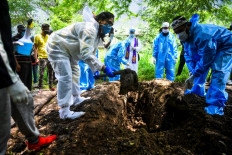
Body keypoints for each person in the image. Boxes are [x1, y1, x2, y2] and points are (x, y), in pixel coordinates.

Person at [0, 0, 57, 154]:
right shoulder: (20, 37)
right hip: (3, 73)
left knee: (25, 100)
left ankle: (34, 140)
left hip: (9, 68)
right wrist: (8, 78)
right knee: (2, 127)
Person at [46, 6, 116, 119]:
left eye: (111, 24)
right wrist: (103, 68)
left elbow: (91, 53)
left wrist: (95, 70)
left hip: (69, 50)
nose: (109, 26)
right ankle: (64, 112)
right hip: (57, 46)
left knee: (75, 72)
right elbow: (86, 54)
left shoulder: (96, 33)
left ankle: (76, 98)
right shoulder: (90, 29)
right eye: (108, 22)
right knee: (66, 76)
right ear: (100, 20)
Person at [171, 14, 232, 115]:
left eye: (180, 30)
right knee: (197, 67)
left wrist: (196, 72)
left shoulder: (203, 35)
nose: (179, 34)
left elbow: (206, 58)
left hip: (225, 45)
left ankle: (215, 105)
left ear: (187, 25)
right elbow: (188, 55)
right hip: (210, 48)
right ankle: (198, 91)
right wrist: (192, 71)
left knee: (218, 71)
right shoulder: (187, 37)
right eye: (176, 32)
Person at [13, 21, 33, 91]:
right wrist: (16, 64)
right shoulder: (15, 38)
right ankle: (22, 93)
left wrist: (29, 24)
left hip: (28, 61)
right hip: (20, 62)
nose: (23, 32)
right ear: (18, 30)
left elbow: (28, 30)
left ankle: (28, 93)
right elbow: (12, 52)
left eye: (24, 30)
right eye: (22, 30)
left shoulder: (27, 38)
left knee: (28, 78)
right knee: (22, 79)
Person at [34, 24, 55, 92]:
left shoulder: (48, 36)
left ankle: (50, 86)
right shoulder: (37, 36)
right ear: (42, 29)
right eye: (47, 29)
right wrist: (36, 58)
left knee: (51, 72)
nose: (48, 30)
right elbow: (35, 48)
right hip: (42, 57)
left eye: (48, 29)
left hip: (49, 57)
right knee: (41, 73)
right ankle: (40, 87)